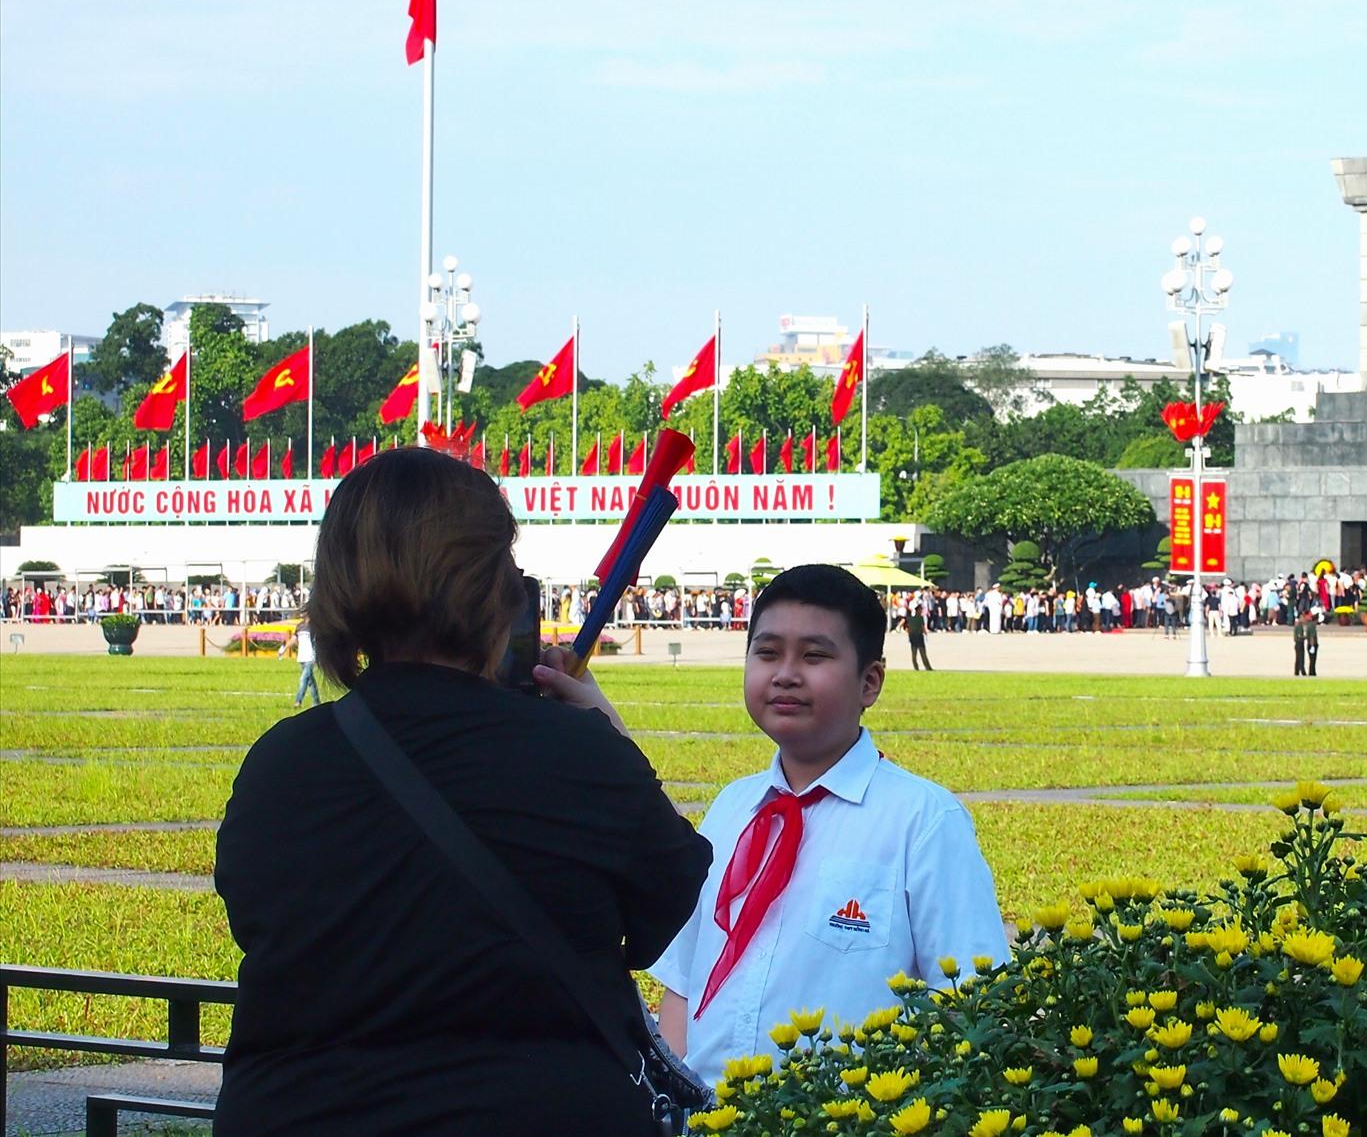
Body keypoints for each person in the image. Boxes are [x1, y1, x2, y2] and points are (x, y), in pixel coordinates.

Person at [213, 448, 710, 1137]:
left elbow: (255, 914)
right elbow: (666, 904)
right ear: (493, 590)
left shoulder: (280, 763)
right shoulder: (576, 751)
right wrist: (608, 737)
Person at [651, 565, 1010, 1088]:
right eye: (767, 652)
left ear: (870, 682)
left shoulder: (923, 822)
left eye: (814, 656)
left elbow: (971, 1006)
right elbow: (683, 982)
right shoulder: (732, 807)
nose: (785, 674)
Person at [289, 617, 319, 707]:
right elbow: (293, 639)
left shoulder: (315, 627)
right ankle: (317, 702)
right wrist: (284, 649)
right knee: (310, 682)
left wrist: (316, 657)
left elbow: (317, 643)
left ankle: (298, 701)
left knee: (303, 679)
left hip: (310, 657)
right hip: (302, 658)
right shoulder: (300, 626)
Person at [904, 594, 934, 671]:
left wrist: (909, 635)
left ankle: (916, 667)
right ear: (918, 610)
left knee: (914, 653)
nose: (921, 611)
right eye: (920, 609)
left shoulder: (910, 619)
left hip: (912, 636)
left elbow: (908, 628)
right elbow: (922, 627)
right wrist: (925, 632)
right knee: (922, 652)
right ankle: (927, 667)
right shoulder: (920, 618)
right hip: (919, 636)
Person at [1292, 607, 1319, 677]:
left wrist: (1304, 638)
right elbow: (1311, 636)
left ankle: (1297, 671)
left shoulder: (1303, 625)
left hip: (1302, 643)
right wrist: (1312, 645)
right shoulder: (1301, 625)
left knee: (1299, 658)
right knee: (1301, 658)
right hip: (1300, 643)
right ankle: (1304, 671)